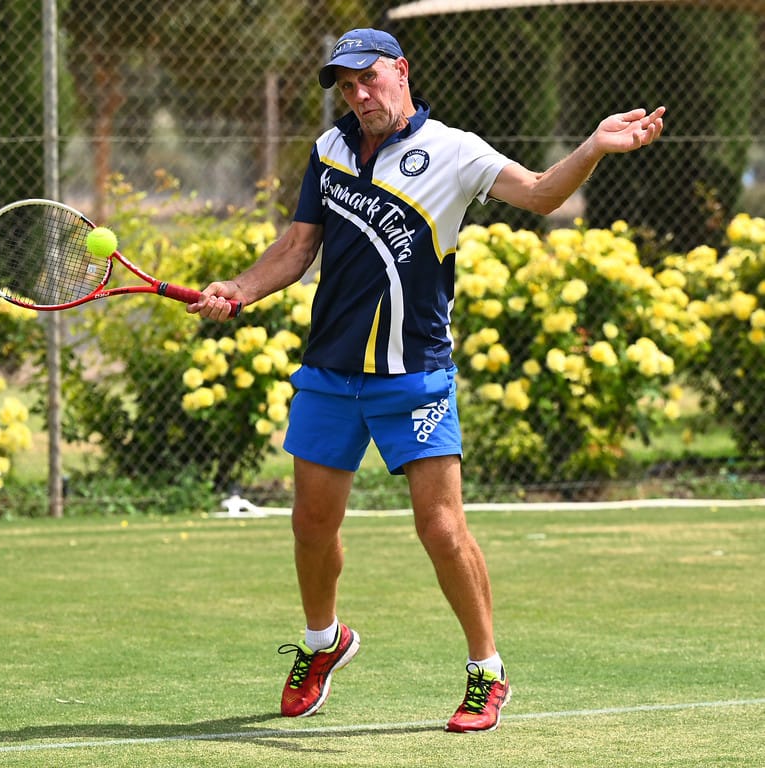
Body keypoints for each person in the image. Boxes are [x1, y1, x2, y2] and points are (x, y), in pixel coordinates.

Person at [189, 27, 665, 733]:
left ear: (400, 72)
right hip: (329, 372)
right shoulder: (327, 153)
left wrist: (593, 148)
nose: (357, 95)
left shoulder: (454, 151)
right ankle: (324, 643)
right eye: (345, 86)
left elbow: (536, 195)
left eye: (367, 79)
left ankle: (486, 672)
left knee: (441, 529)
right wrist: (238, 287)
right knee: (311, 524)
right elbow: (296, 249)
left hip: (412, 376)